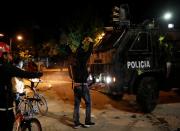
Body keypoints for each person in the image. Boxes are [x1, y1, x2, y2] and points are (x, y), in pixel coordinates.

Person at [0, 52, 43, 131]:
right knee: (8, 122)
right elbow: (23, 73)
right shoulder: (6, 67)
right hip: (4, 102)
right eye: (9, 55)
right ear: (5, 56)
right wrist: (37, 74)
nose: (11, 56)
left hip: (4, 99)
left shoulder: (3, 66)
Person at [69, 37, 95, 128]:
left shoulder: (73, 61)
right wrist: (91, 42)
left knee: (77, 104)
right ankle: (87, 122)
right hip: (83, 85)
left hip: (75, 85)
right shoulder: (83, 60)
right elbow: (89, 52)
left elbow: (79, 50)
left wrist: (82, 42)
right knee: (88, 103)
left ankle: (76, 123)